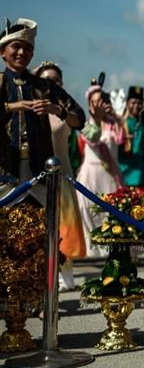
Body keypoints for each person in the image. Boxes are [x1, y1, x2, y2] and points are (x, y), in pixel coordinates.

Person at [0, 19, 85, 203]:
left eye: (28, 48)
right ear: (2, 52)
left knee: (38, 229)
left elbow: (79, 119)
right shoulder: (0, 82)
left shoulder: (44, 87)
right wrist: (12, 106)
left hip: (38, 173)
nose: (22, 52)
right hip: (4, 172)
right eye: (16, 46)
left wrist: (57, 110)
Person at [34, 61, 87, 291]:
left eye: (55, 80)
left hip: (62, 172)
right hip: (36, 176)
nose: (51, 84)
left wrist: (59, 110)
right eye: (46, 79)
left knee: (64, 226)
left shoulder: (65, 111)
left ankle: (66, 272)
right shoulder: (31, 108)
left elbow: (80, 121)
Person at [75, 79, 125, 257]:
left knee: (110, 213)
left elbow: (122, 142)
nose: (99, 104)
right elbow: (94, 138)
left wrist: (117, 118)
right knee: (89, 210)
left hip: (110, 174)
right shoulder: (85, 123)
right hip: (91, 173)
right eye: (95, 101)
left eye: (102, 100)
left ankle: (111, 250)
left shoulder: (113, 123)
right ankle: (93, 250)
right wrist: (96, 119)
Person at [118, 85, 144, 187]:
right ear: (127, 103)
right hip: (126, 179)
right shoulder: (121, 125)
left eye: (139, 103)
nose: (136, 105)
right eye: (133, 102)